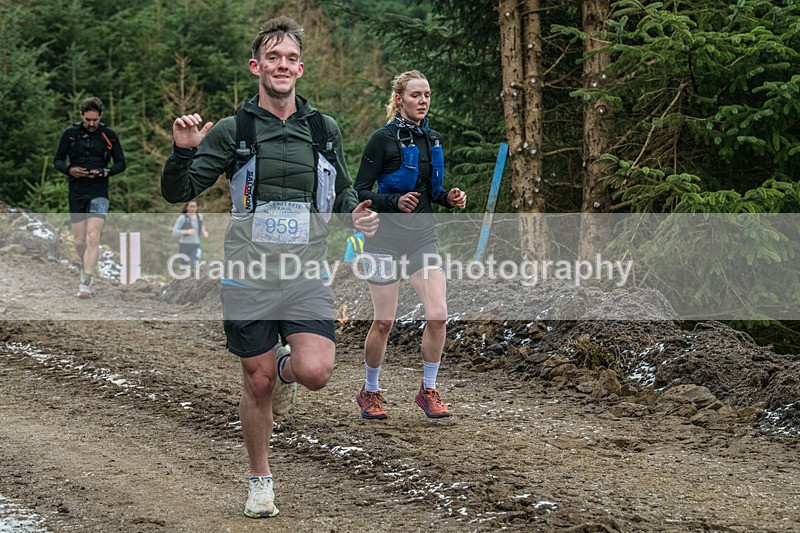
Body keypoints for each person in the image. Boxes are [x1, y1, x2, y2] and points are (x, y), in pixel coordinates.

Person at [160, 16, 378, 519]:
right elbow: (179, 191)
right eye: (273, 57)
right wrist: (182, 151)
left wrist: (357, 213)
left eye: (291, 58)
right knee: (256, 383)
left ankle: (287, 367)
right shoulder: (236, 130)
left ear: (300, 68)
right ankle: (261, 480)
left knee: (316, 371)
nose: (282, 66)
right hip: (247, 274)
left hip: (305, 273)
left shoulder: (323, 129)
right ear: (257, 66)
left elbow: (341, 189)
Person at [353, 70, 467, 421]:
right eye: (416, 95)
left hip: (421, 238)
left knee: (438, 314)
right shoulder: (381, 139)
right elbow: (358, 192)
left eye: (427, 95)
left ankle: (428, 390)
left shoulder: (431, 139)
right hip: (383, 240)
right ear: (399, 99)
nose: (423, 101)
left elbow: (429, 191)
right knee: (384, 321)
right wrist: (392, 203)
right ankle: (370, 391)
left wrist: (448, 196)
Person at [54, 96, 126, 298]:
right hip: (76, 191)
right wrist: (70, 170)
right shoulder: (70, 134)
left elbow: (121, 163)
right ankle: (87, 265)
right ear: (81, 116)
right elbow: (57, 160)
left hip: (99, 192)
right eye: (88, 120)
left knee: (93, 236)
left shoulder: (108, 135)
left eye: (95, 120)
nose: (92, 124)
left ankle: (85, 282)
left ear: (100, 116)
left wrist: (106, 172)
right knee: (79, 241)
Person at [171, 200, 208, 275]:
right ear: (187, 207)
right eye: (191, 206)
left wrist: (204, 232)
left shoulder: (199, 217)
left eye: (194, 206)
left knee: (195, 264)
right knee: (183, 267)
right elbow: (174, 231)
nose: (193, 208)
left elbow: (201, 227)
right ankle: (183, 283)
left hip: (195, 244)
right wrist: (186, 232)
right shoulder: (183, 218)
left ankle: (195, 282)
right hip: (184, 245)